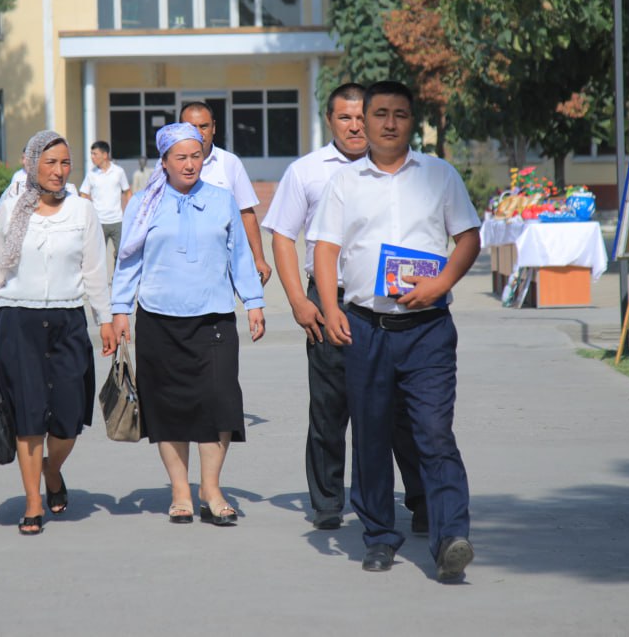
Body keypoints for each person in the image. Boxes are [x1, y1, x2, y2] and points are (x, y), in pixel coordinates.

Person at [309, 80, 481, 582]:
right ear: (363, 119)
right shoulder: (345, 182)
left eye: (399, 114)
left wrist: (441, 284)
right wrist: (330, 306)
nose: (388, 123)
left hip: (427, 329)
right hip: (365, 327)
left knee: (433, 431)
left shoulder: (439, 175)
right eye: (378, 113)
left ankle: (452, 536)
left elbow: (468, 238)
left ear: (412, 120)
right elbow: (325, 247)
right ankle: (380, 536)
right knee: (372, 434)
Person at [262, 83, 427, 533]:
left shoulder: (404, 168)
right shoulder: (308, 172)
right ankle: (328, 501)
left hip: (392, 302)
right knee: (330, 407)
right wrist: (298, 300)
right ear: (329, 121)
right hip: (329, 299)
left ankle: (420, 498)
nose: (356, 126)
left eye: (362, 117)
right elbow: (281, 234)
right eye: (345, 118)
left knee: (399, 407)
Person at [111, 122, 266, 526]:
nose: (189, 164)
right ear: (163, 162)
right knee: (168, 407)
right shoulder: (143, 203)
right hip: (158, 319)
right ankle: (180, 491)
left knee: (220, 402)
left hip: (213, 316)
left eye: (196, 156)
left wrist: (253, 301)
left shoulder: (221, 199)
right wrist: (119, 309)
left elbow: (240, 256)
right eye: (180, 157)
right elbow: (128, 262)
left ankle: (210, 489)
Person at [0, 130, 117, 536]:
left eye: (65, 163)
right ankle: (34, 501)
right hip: (17, 320)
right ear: (33, 163)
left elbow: (94, 269)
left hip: (68, 320)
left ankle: (51, 470)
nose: (58, 171)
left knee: (70, 416)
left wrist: (103, 318)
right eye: (50, 162)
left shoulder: (81, 211)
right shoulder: (12, 207)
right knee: (28, 415)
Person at [178, 102, 272, 285]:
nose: (198, 132)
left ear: (214, 127)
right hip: (179, 265)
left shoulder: (229, 163)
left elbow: (246, 213)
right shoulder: (167, 165)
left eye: (204, 126)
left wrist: (259, 258)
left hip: (220, 268)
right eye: (191, 127)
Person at [79, 140, 131, 256]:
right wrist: (88, 212)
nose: (92, 157)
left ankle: (117, 275)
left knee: (122, 254)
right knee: (98, 255)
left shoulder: (118, 172)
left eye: (95, 154)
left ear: (105, 155)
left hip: (118, 221)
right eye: (91, 154)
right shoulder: (91, 174)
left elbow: (127, 192)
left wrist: (129, 213)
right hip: (99, 222)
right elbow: (83, 194)